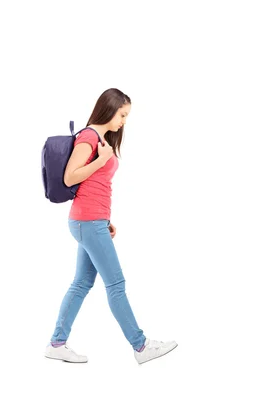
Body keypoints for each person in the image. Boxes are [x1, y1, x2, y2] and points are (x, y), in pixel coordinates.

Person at [44, 88, 177, 365]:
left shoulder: (100, 139)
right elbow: (70, 177)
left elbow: (96, 186)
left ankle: (57, 343)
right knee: (116, 284)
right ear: (109, 108)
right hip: (87, 222)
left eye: (126, 116)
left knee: (81, 283)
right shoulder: (89, 137)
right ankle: (141, 347)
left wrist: (105, 220)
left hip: (92, 221)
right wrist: (102, 161)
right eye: (122, 114)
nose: (123, 121)